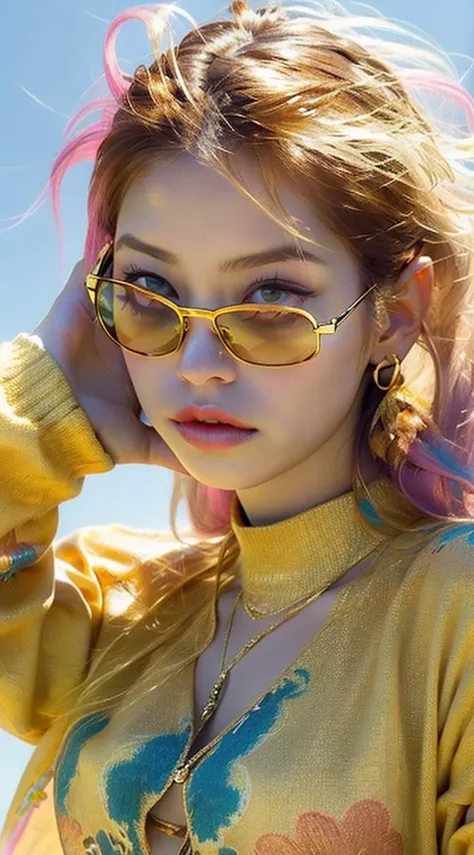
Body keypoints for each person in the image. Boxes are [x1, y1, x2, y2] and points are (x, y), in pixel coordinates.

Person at [1, 0, 474, 852]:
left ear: (396, 312)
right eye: (151, 291)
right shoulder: (121, 600)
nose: (196, 362)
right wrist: (45, 397)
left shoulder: (457, 610)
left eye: (271, 296)